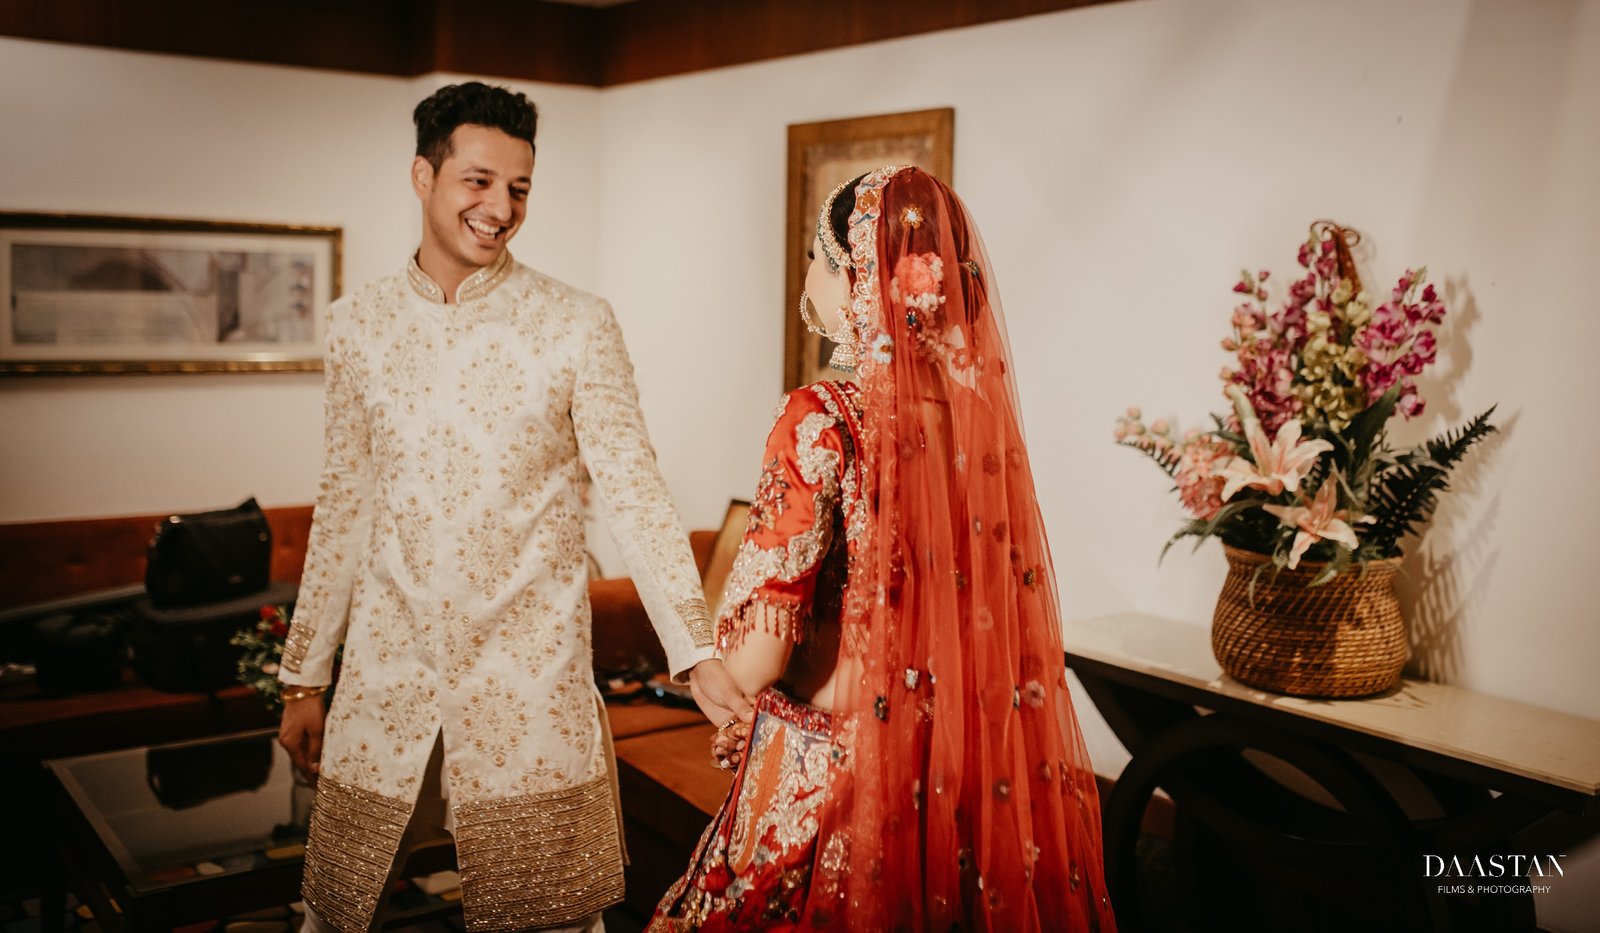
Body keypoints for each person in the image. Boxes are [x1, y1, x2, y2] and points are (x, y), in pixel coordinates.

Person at [275, 82, 753, 933]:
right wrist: (304, 676)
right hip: (387, 677)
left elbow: (637, 492)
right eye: (478, 180)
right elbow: (345, 503)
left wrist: (697, 649)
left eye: (520, 188)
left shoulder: (575, 323)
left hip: (530, 685)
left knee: (551, 919)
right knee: (336, 913)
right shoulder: (360, 325)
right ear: (423, 176)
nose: (500, 207)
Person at [650, 166, 1116, 931]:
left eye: (816, 255)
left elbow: (761, 655)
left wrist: (708, 672)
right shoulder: (972, 423)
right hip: (946, 775)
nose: (810, 274)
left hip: (825, 776)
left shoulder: (818, 417)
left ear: (853, 276)